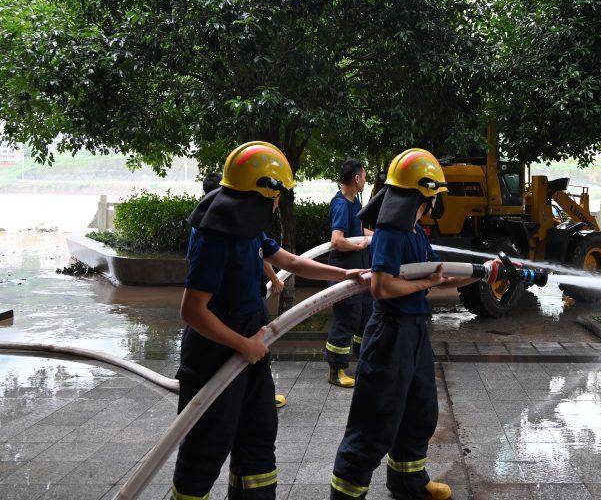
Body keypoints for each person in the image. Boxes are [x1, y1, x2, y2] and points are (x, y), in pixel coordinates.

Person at [173, 141, 367, 500]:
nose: (279, 202)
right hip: (215, 355)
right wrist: (242, 344)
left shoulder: (247, 226)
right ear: (263, 191)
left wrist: (345, 276)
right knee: (206, 448)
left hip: (251, 351)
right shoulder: (214, 235)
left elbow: (291, 262)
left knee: (258, 438)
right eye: (279, 194)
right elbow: (192, 311)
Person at [330, 148, 496, 500]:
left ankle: (408, 482)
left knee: (420, 410)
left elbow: (440, 274)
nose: (437, 201)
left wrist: (485, 273)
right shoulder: (392, 231)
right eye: (436, 194)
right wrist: (426, 284)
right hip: (390, 333)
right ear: (426, 194)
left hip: (415, 332)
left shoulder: (416, 231)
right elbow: (381, 285)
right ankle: (345, 493)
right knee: (375, 422)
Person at [325, 159, 373, 387]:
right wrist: (359, 246)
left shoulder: (354, 203)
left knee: (365, 314)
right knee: (347, 318)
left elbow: (359, 229)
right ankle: (336, 370)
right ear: (356, 179)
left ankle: (363, 359)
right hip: (345, 273)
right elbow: (338, 241)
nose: (365, 180)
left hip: (360, 274)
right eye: (364, 176)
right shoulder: (341, 205)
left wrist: (380, 235)